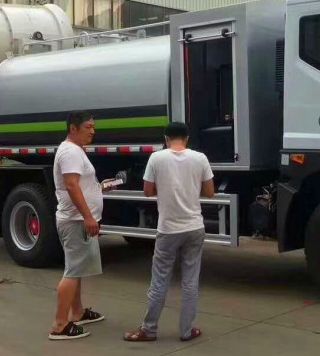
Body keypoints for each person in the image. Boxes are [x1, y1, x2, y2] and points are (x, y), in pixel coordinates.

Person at [124, 122, 214, 342]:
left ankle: (149, 329)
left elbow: (147, 191)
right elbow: (210, 192)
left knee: (160, 280)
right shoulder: (200, 158)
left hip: (168, 229)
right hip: (194, 227)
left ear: (166, 139)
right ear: (187, 138)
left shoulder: (156, 158)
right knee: (190, 281)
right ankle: (186, 331)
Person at [49, 111, 105, 340]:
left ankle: (78, 312)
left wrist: (100, 188)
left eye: (93, 127)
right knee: (72, 271)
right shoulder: (71, 152)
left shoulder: (75, 150)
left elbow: (80, 183)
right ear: (73, 128)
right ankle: (60, 325)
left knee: (77, 268)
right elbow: (71, 186)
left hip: (76, 219)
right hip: (75, 221)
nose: (93, 131)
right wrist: (88, 217)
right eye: (88, 127)